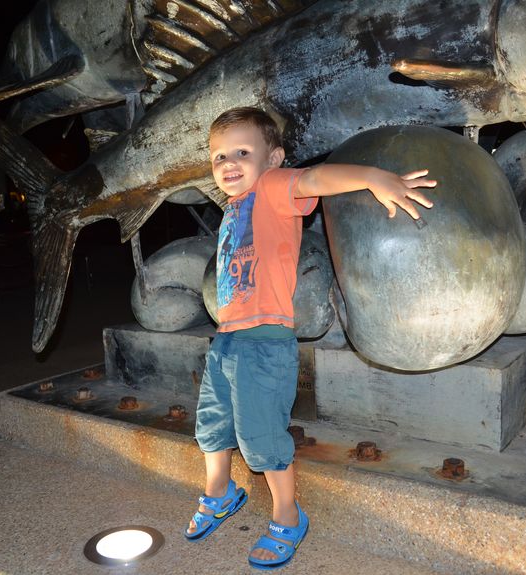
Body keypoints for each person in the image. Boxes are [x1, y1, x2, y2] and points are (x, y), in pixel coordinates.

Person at [185, 107, 435, 570]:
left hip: (264, 340)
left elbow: (316, 179)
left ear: (273, 158)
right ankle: (220, 492)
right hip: (228, 337)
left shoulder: (271, 187)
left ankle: (288, 515)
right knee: (211, 423)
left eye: (242, 152)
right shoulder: (234, 207)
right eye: (219, 156)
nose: (228, 163)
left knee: (261, 434)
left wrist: (373, 178)